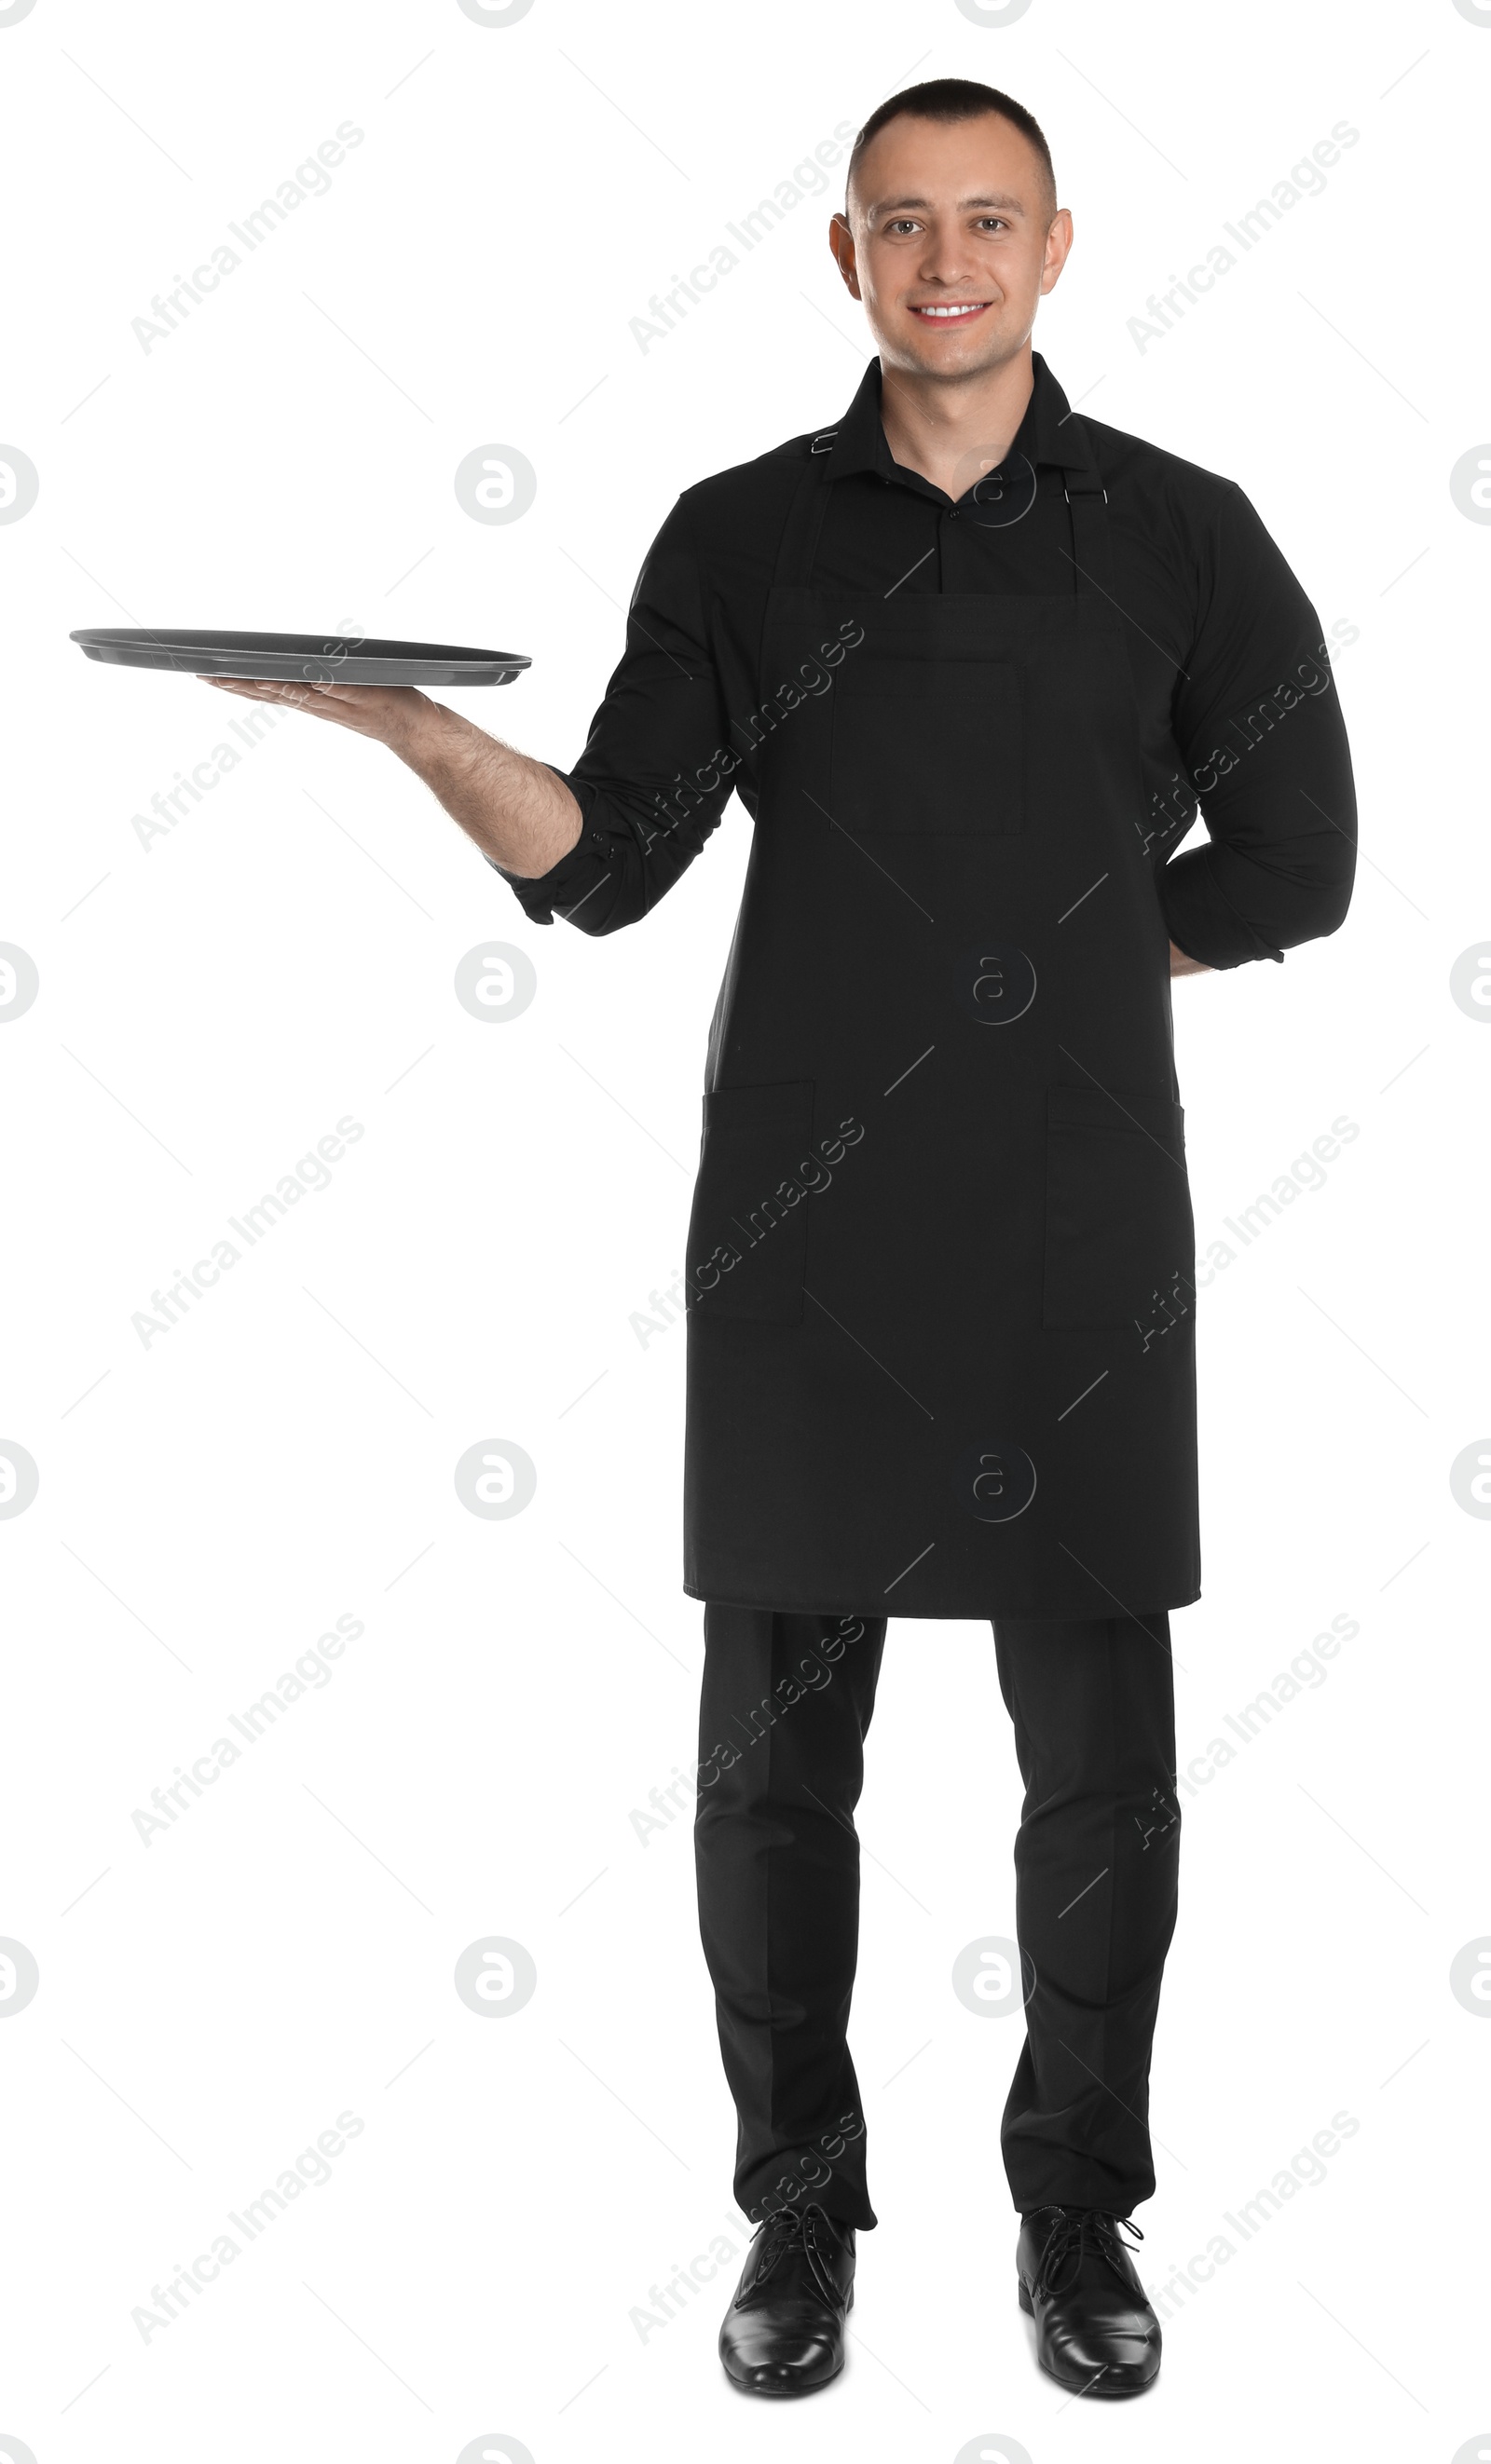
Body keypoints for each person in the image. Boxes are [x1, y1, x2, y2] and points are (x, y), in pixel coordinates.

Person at [202, 78, 1356, 2402]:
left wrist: (1061, 956)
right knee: (766, 1776)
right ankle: (798, 2221)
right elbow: (610, 860)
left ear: (1055, 247)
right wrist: (422, 739)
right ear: (844, 257)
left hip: (1073, 1227)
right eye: (901, 225)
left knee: (1098, 1775)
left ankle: (1073, 2219)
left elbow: (1297, 863)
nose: (946, 263)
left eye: (987, 223)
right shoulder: (740, 540)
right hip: (811, 1228)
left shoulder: (1182, 535)